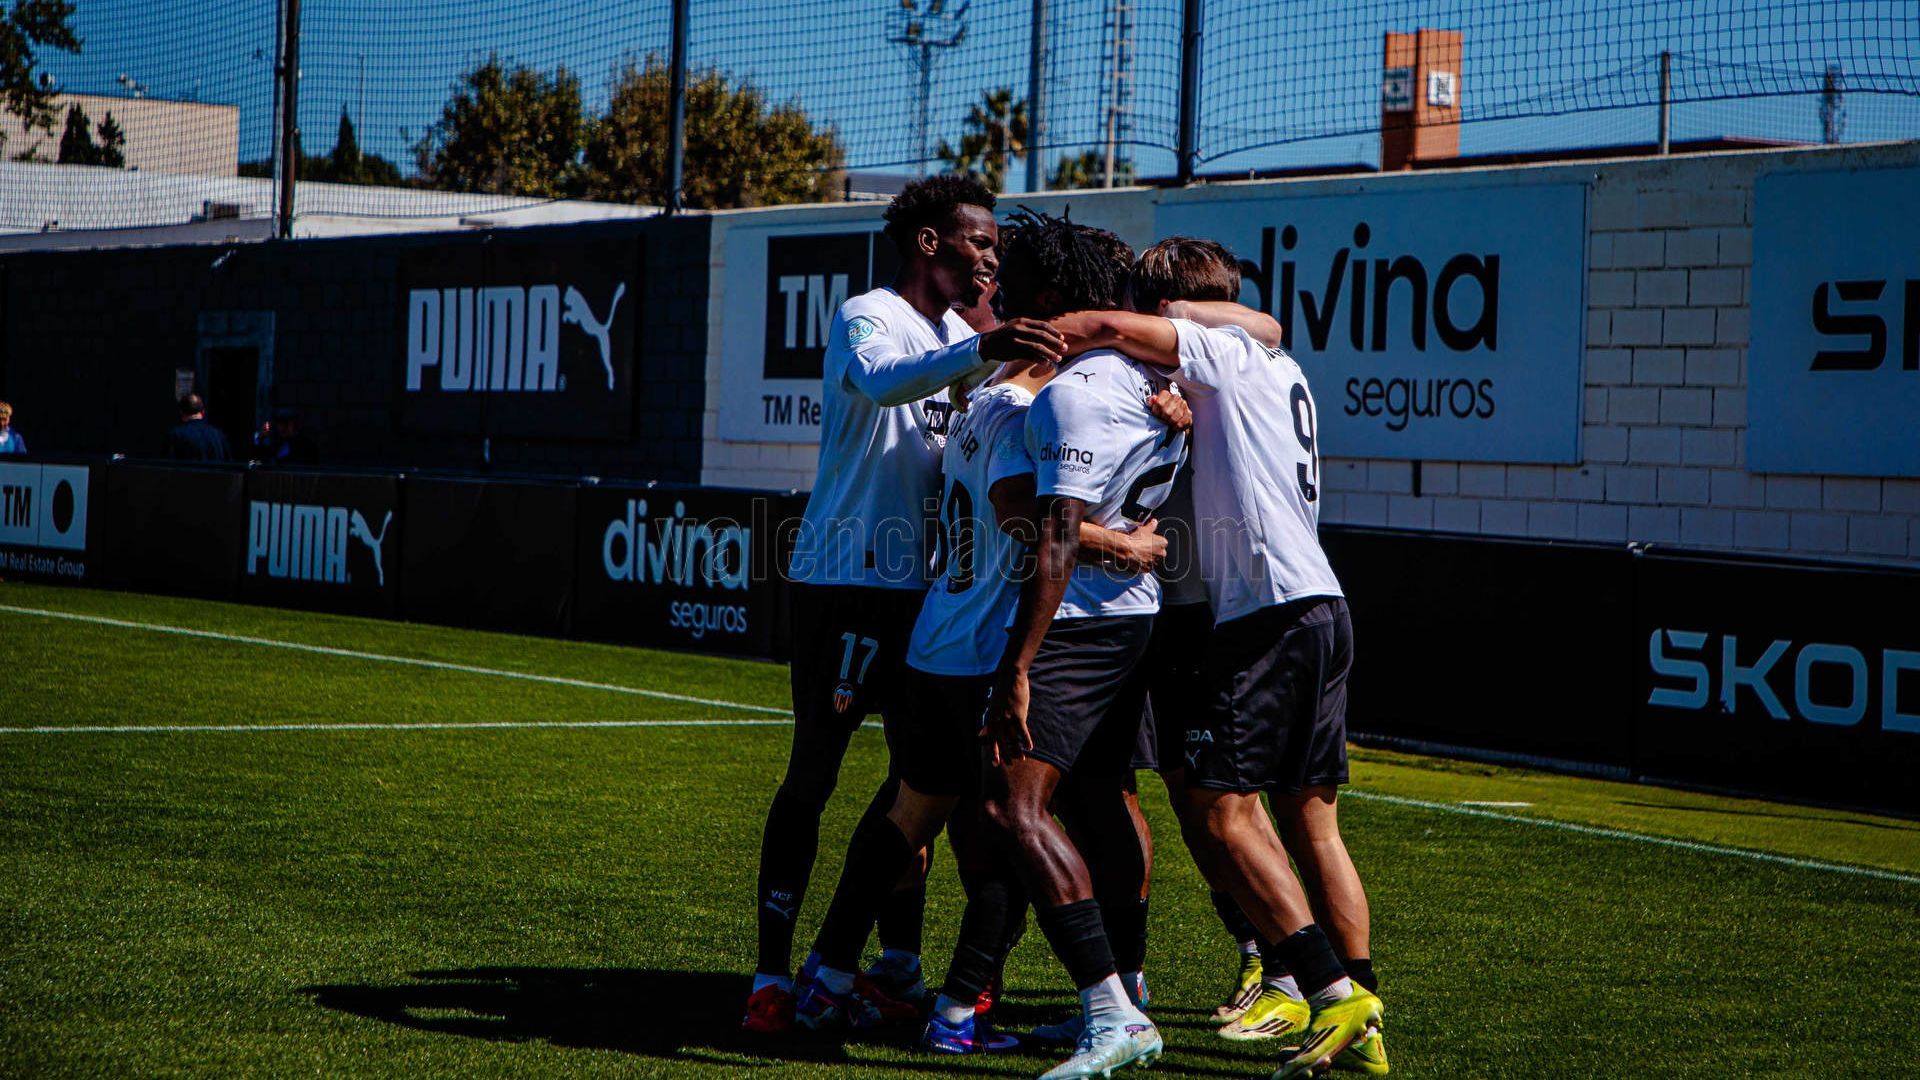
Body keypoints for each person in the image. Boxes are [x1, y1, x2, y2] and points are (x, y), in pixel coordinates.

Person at [1052, 236, 1389, 1075]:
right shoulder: (1270, 357)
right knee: (1311, 821)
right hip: (1320, 603)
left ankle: (1313, 987)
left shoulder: (1215, 348)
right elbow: (1259, 333)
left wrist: (1014, 347)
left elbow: (1103, 322)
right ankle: (1359, 1013)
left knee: (1217, 810)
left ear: (1163, 307)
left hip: (1261, 612)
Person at [743, 175, 1067, 1034]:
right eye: (981, 241)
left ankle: (894, 968)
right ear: (932, 243)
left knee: (915, 785)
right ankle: (771, 979)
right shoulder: (869, 313)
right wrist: (979, 352)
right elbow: (882, 382)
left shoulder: (967, 331)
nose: (993, 255)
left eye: (998, 244)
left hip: (924, 592)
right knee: (814, 774)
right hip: (846, 582)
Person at [975, 209, 1190, 1080]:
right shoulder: (1152, 377)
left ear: (1054, 296)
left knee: (1011, 807)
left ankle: (1111, 1013)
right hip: (1133, 614)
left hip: (1078, 626)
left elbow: (1056, 536)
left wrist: (1018, 666)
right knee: (1105, 801)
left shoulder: (1073, 391)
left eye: (1015, 277)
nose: (999, 291)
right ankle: (1125, 991)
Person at [166, 394, 232, 462]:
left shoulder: (175, 435)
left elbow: (167, 466)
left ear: (181, 412)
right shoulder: (218, 434)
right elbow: (228, 464)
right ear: (203, 412)